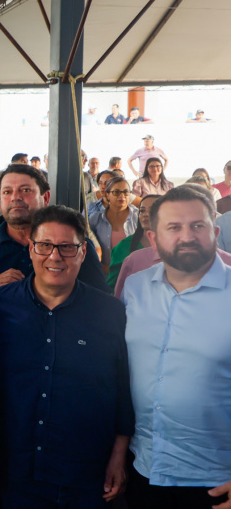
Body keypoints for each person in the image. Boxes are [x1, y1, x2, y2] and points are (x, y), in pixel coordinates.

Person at [0, 205, 132, 508]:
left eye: (67, 247)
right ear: (31, 248)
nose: (55, 256)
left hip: (86, 473)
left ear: (83, 251)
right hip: (13, 472)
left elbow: (122, 387)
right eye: (45, 245)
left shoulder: (110, 312)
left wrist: (119, 455)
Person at [122, 186, 231, 509]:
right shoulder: (135, 288)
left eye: (197, 225)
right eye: (174, 227)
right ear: (153, 238)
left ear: (215, 232)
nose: (187, 236)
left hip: (216, 482)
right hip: (144, 470)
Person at [0, 164, 109, 294]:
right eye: (7, 192)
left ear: (46, 197)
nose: (15, 197)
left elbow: (100, 302)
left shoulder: (74, 247)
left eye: (25, 190)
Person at [108, 194, 159, 290]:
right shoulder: (123, 247)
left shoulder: (175, 246)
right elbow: (113, 289)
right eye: (142, 211)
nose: (146, 214)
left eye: (152, 210)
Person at [89, 176, 138, 271]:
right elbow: (90, 247)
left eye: (126, 192)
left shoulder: (138, 217)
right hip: (105, 274)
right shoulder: (96, 219)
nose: (122, 196)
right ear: (107, 195)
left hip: (133, 273)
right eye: (116, 192)